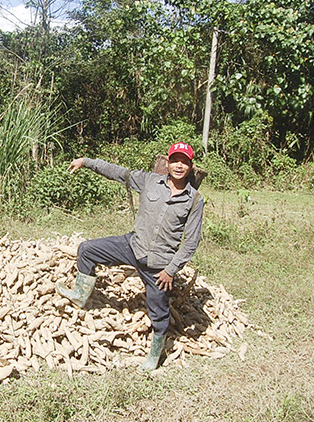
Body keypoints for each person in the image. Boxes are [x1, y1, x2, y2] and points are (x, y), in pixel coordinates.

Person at [57, 142, 204, 372]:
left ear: (190, 166)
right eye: (175, 160)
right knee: (87, 249)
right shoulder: (149, 181)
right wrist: (86, 162)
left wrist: (170, 271)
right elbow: (118, 172)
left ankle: (154, 356)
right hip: (133, 246)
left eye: (184, 161)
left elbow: (191, 243)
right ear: (167, 162)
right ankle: (80, 294)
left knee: (159, 312)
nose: (178, 165)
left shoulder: (194, 200)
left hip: (159, 265)